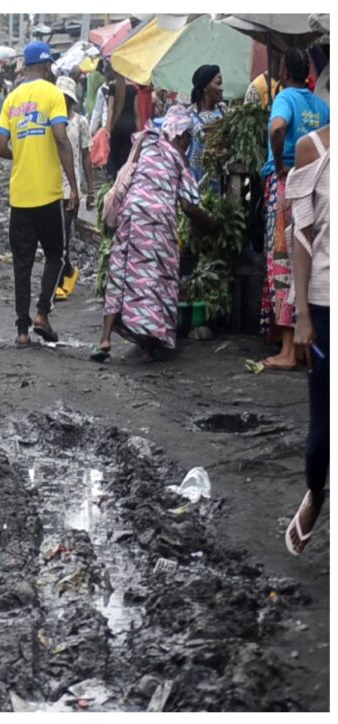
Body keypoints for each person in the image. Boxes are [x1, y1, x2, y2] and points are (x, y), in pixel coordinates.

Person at [90, 106, 218, 363]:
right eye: (188, 139)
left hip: (131, 214)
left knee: (121, 273)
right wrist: (214, 224)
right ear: (181, 137)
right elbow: (189, 206)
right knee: (154, 280)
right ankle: (149, 348)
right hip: (158, 222)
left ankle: (104, 339)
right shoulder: (179, 159)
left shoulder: (146, 142)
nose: (188, 143)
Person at [0, 41, 79, 349]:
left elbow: (0, 146)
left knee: (22, 264)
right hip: (48, 194)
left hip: (20, 196)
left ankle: (21, 331)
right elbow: (60, 138)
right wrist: (75, 185)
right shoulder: (53, 93)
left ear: (26, 67)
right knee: (56, 254)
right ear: (45, 67)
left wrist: (23, 153)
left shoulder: (12, 99)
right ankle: (42, 313)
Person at [260, 47, 330, 370]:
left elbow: (277, 128)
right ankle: (303, 346)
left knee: (284, 261)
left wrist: (278, 163)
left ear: (285, 71)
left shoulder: (285, 98)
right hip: (319, 185)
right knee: (312, 253)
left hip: (288, 184)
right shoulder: (320, 103)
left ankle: (288, 350)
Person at [285, 124, 329, 555]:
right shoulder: (312, 149)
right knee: (321, 437)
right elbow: (302, 235)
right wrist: (300, 313)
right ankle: (316, 493)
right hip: (324, 306)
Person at [54, 75, 94, 301]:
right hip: (50, 187)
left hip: (70, 188)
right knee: (54, 236)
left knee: (62, 237)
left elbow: (87, 156)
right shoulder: (51, 121)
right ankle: (68, 271)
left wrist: (89, 190)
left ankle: (59, 282)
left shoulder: (79, 123)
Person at [187, 65, 229, 186]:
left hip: (222, 184)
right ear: (205, 87)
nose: (222, 88)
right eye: (218, 84)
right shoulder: (189, 116)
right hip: (195, 184)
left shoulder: (224, 111)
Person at [105, 67, 140, 179]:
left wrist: (107, 128)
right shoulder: (134, 88)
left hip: (117, 126)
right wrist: (138, 132)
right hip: (130, 126)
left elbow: (110, 109)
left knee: (116, 159)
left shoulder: (112, 86)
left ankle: (116, 182)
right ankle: (126, 181)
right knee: (128, 158)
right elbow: (136, 113)